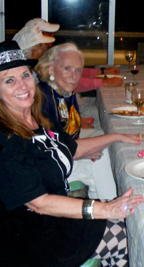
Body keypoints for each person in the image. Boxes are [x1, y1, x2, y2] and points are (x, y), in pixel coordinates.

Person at [0, 41, 144, 267]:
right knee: (120, 233)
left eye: (25, 75)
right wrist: (104, 209)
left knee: (122, 225)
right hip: (22, 235)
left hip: (44, 219)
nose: (23, 85)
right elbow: (38, 203)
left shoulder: (33, 117)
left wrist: (117, 138)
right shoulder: (4, 141)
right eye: (9, 80)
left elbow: (72, 149)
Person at [35, 43, 125, 200]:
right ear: (51, 69)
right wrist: (82, 153)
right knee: (101, 156)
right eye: (67, 68)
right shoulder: (43, 99)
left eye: (77, 70)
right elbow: (47, 147)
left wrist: (84, 147)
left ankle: (103, 203)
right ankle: (107, 204)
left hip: (66, 148)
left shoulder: (63, 91)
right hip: (46, 164)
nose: (74, 76)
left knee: (102, 140)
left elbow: (66, 132)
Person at [13, 18, 122, 90]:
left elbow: (72, 71)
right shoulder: (29, 73)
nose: (50, 44)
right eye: (45, 42)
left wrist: (102, 72)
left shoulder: (36, 64)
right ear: (33, 49)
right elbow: (68, 82)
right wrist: (105, 81)